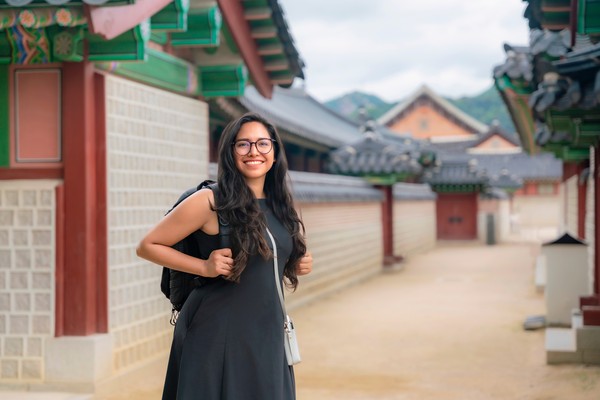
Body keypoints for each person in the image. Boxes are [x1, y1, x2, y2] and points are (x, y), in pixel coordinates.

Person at [136, 112, 312, 400]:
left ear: (275, 152)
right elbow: (148, 245)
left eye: (262, 144)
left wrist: (296, 263)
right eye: (243, 144)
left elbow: (266, 259)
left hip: (265, 328)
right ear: (230, 152)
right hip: (216, 331)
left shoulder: (281, 204)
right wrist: (204, 267)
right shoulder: (210, 201)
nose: (253, 151)